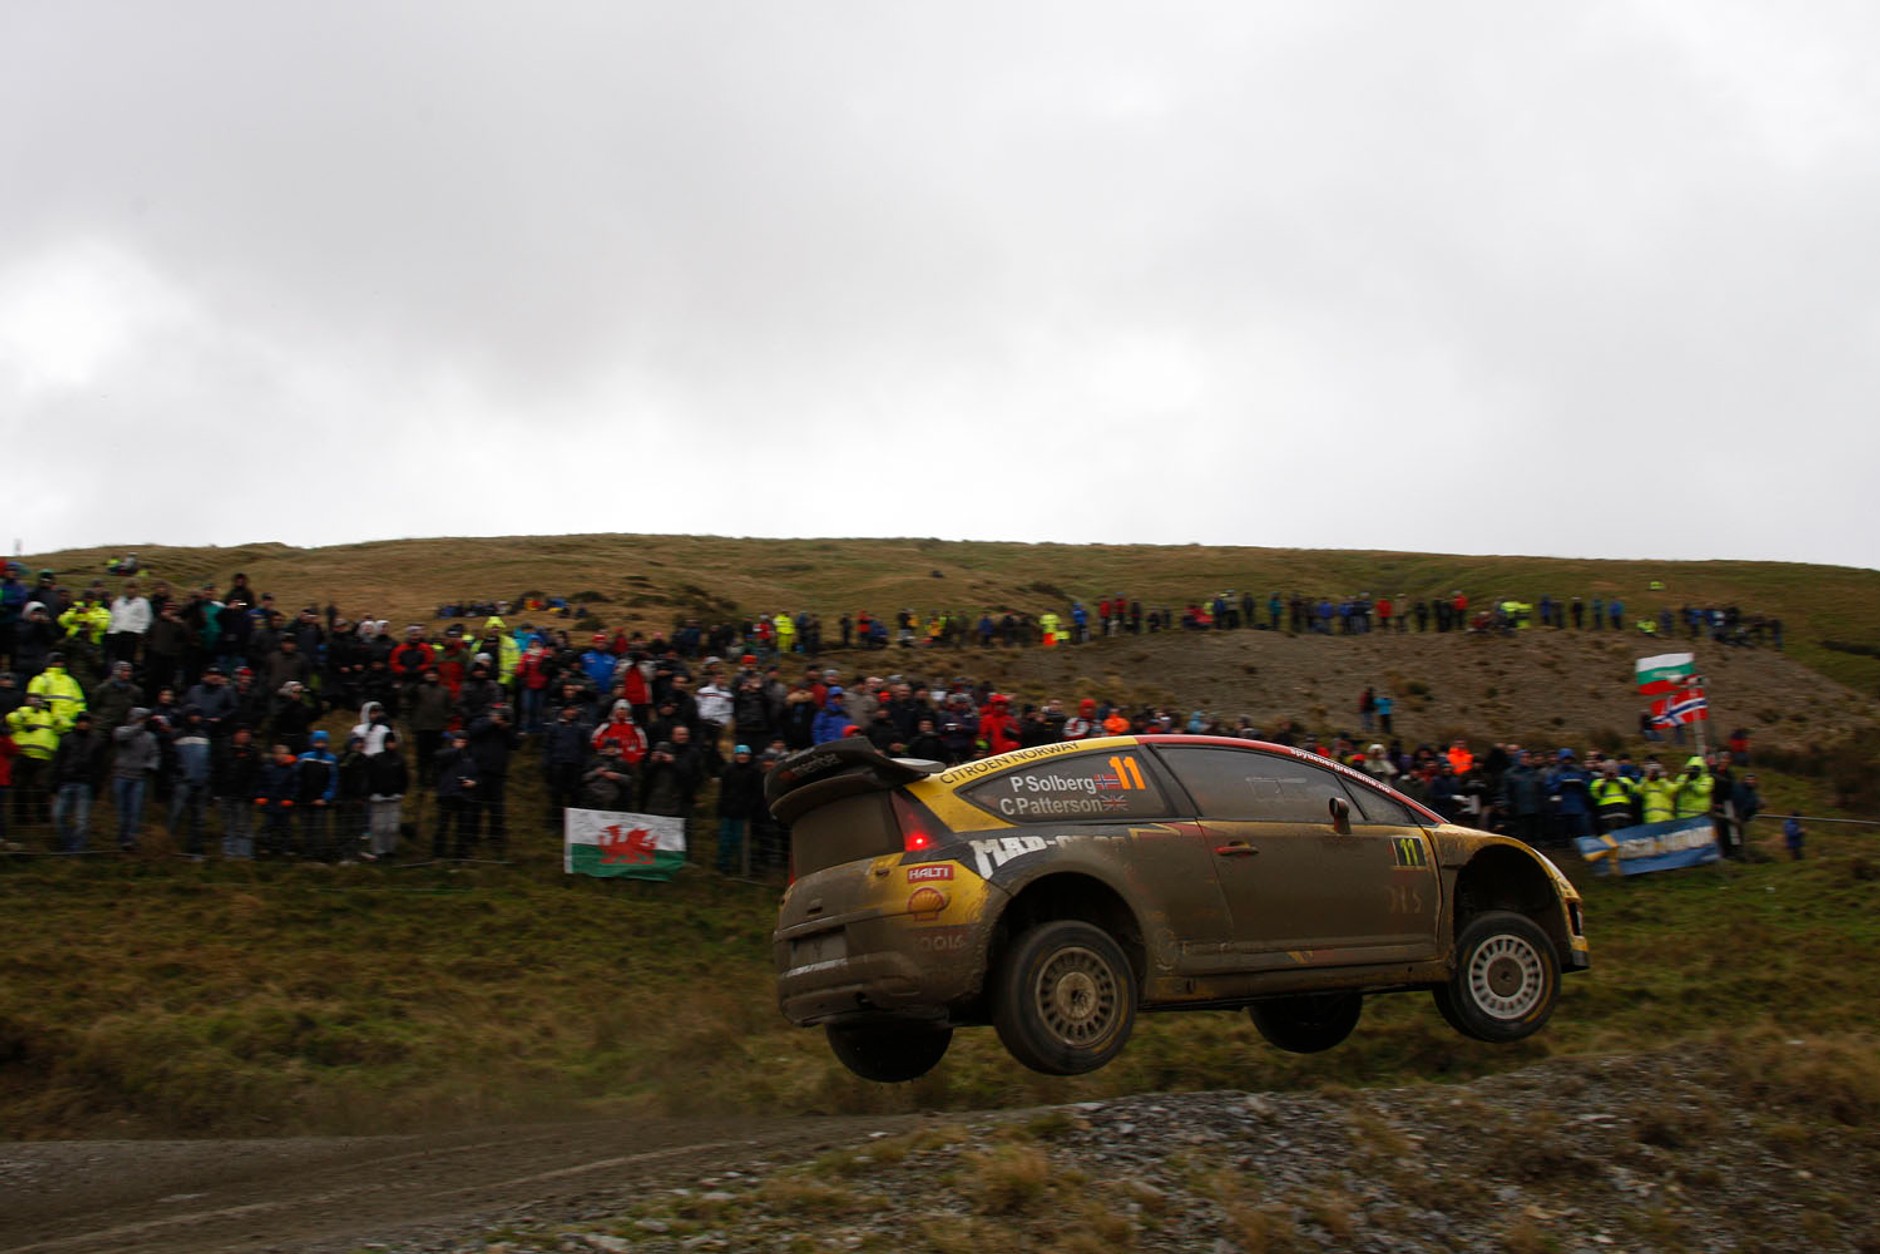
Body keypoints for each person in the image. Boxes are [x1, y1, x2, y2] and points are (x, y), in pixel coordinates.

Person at [49, 710, 105, 851]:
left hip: (85, 784)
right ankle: (68, 844)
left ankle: (75, 850)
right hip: (66, 781)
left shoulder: (97, 742)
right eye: (81, 721)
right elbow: (58, 762)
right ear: (77, 723)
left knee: (82, 821)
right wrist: (54, 783)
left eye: (86, 722)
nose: (84, 724)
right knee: (59, 816)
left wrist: (96, 785)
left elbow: (100, 766)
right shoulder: (66, 740)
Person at [109, 708, 159, 852]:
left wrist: (151, 766)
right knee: (122, 810)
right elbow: (120, 737)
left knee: (135, 810)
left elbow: (155, 754)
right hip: (121, 776)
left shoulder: (150, 737)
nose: (143, 721)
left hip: (138, 778)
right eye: (141, 718)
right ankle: (121, 838)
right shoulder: (121, 730)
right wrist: (137, 727)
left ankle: (130, 840)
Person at [213, 726, 263, 859]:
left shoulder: (253, 752)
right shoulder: (225, 750)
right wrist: (217, 793)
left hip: (244, 796)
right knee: (228, 825)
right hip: (226, 793)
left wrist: (252, 793)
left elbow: (257, 775)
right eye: (242, 732)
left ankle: (244, 856)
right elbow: (218, 772)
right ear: (235, 734)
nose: (245, 735)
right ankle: (229, 854)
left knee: (244, 826)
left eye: (247, 733)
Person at [714, 744, 764, 876]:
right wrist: (720, 807)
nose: (743, 757)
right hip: (728, 810)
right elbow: (723, 791)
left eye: (745, 754)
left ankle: (741, 866)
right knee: (725, 840)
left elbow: (756, 793)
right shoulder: (728, 770)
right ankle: (723, 865)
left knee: (739, 840)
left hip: (743, 813)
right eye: (740, 754)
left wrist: (750, 808)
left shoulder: (754, 772)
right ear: (735, 755)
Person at [434, 730, 481, 858]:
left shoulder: (470, 758)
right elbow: (437, 756)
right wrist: (456, 750)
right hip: (447, 794)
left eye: (463, 741)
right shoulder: (446, 754)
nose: (461, 744)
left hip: (464, 795)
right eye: (458, 741)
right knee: (443, 826)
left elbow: (477, 775)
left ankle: (461, 855)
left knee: (463, 827)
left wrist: (474, 782)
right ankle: (438, 854)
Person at [366, 731, 409, 861]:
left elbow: (405, 778)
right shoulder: (376, 758)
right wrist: (371, 793)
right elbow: (370, 777)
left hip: (394, 798)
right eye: (388, 742)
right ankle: (378, 851)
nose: (390, 744)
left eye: (393, 742)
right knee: (379, 827)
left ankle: (390, 851)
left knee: (392, 827)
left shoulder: (400, 759)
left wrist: (401, 792)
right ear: (384, 743)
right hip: (378, 798)